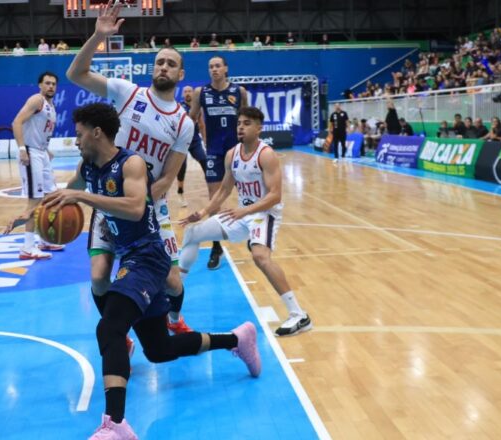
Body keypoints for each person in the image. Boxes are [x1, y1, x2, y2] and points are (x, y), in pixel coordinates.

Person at [43, 102, 261, 440]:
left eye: (79, 133)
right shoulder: (88, 166)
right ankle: (237, 339)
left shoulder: (130, 163)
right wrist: (34, 217)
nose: (76, 140)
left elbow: (133, 207)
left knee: (110, 329)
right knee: (158, 349)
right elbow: (66, 194)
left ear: (96, 132)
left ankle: (115, 424)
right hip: (131, 257)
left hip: (147, 257)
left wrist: (84, 198)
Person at [67, 2, 194, 335]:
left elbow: (168, 175)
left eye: (171, 64)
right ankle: (118, 335)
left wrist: (139, 205)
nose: (163, 66)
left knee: (172, 281)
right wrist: (97, 35)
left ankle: (174, 320)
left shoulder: (183, 123)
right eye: (159, 62)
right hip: (109, 198)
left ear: (181, 75)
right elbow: (76, 74)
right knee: (98, 277)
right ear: (152, 68)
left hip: (149, 206)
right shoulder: (128, 93)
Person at [179, 106, 313, 337]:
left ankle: (299, 315)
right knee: (193, 234)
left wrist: (245, 211)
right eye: (239, 123)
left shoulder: (266, 154)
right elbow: (223, 191)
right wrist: (202, 212)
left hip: (264, 214)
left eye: (247, 123)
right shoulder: (232, 154)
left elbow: (275, 195)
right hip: (242, 214)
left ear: (259, 128)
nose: (241, 127)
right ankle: (172, 301)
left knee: (260, 256)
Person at [189, 55, 249, 271]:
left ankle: (254, 232)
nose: (213, 69)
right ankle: (216, 246)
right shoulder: (201, 93)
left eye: (217, 66)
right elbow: (191, 119)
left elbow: (247, 120)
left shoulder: (239, 92)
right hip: (214, 152)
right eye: (210, 67)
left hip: (237, 152)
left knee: (249, 194)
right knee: (215, 199)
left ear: (225, 69)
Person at [5, 72, 62, 259]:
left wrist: (46, 150)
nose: (51, 86)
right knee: (35, 200)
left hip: (41, 153)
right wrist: (22, 148)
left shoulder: (51, 106)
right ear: (40, 85)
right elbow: (17, 122)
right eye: (47, 83)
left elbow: (39, 132)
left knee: (50, 197)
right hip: (31, 153)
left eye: (53, 84)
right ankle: (28, 247)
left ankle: (44, 239)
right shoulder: (37, 100)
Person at [176, 85, 209, 208]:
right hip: (181, 141)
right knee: (181, 167)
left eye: (190, 91)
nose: (188, 93)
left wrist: (205, 140)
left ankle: (212, 189)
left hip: (195, 140)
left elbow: (201, 125)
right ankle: (180, 192)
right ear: (183, 94)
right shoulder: (178, 107)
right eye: (185, 91)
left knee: (205, 161)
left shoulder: (197, 107)